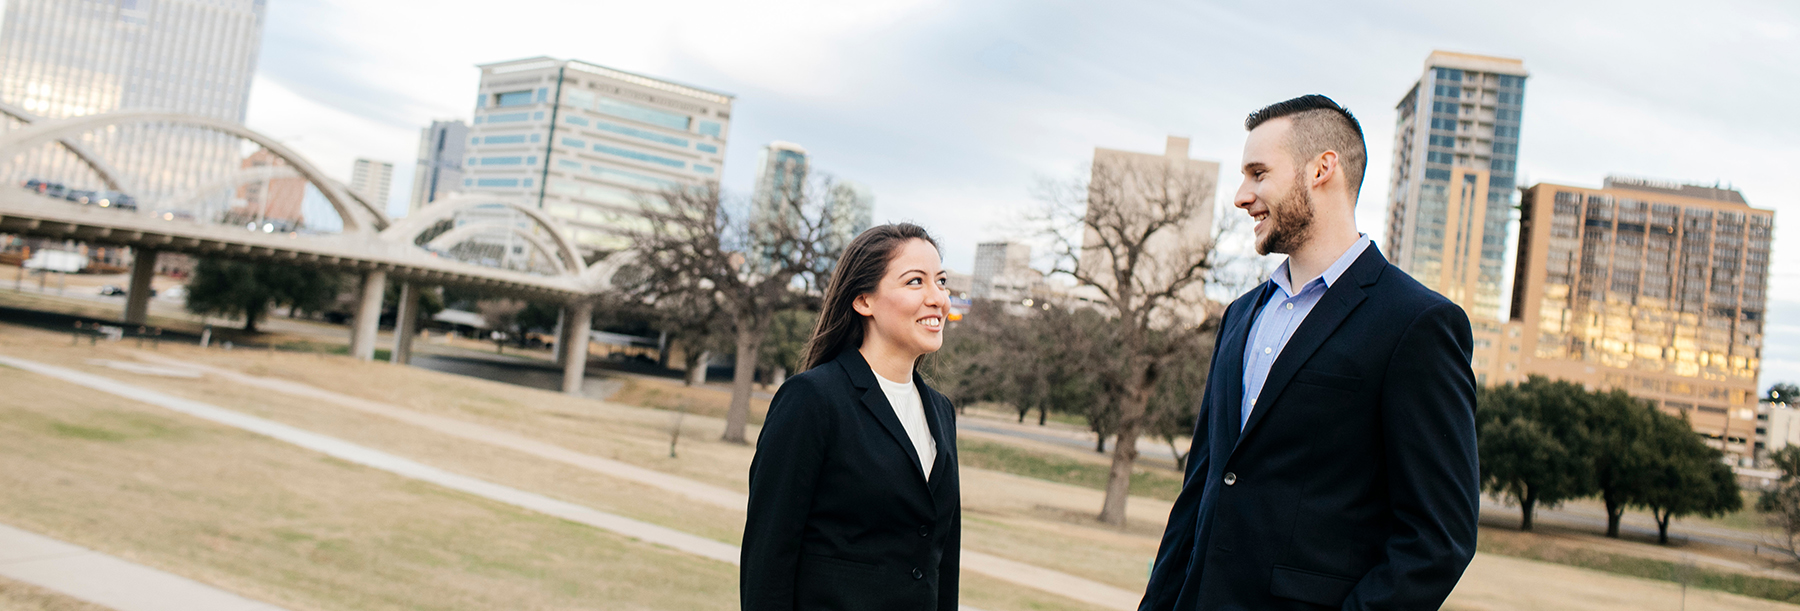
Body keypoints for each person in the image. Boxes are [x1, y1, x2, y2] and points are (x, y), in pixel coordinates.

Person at [1139, 95, 1479, 610]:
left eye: (1258, 173)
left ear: (1322, 169)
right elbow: (1201, 492)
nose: (1240, 196)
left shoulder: (1416, 324)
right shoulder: (1239, 316)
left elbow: (1438, 539)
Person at [741, 223, 961, 611]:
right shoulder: (812, 399)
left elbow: (942, 560)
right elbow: (768, 557)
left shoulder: (941, 412)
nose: (938, 298)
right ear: (864, 300)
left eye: (941, 281)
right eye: (915, 282)